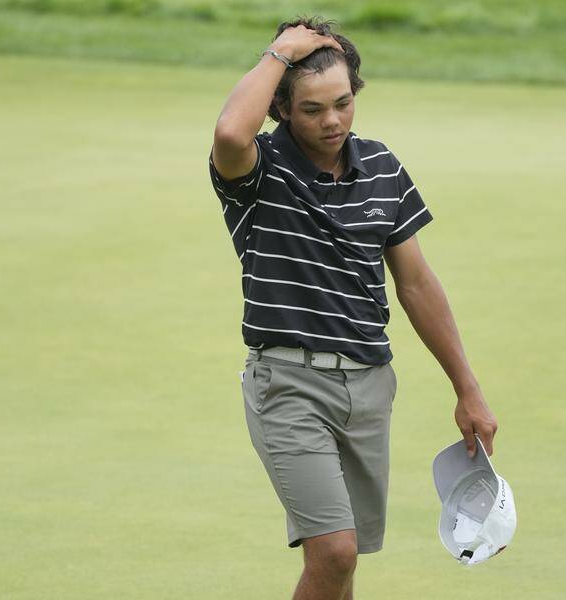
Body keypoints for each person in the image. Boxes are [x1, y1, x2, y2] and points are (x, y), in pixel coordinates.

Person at [209, 16, 498, 600]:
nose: (333, 121)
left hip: (369, 386)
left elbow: (416, 284)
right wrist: (280, 52)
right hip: (288, 384)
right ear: (281, 109)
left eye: (343, 103)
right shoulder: (258, 170)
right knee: (334, 551)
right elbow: (230, 135)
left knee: (344, 563)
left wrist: (467, 388)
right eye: (312, 109)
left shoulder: (383, 167)